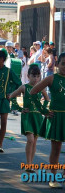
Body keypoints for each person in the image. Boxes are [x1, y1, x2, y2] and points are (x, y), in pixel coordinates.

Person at [30, 53, 65, 188]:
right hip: (56, 117)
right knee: (56, 150)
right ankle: (53, 177)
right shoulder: (51, 78)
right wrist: (43, 110)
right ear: (57, 65)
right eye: (63, 64)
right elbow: (33, 92)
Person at [10, 64, 49, 172]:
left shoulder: (40, 88)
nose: (35, 78)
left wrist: (43, 109)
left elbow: (46, 99)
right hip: (27, 116)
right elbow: (12, 96)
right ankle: (28, 164)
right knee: (30, 140)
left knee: (34, 141)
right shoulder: (24, 87)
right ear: (28, 76)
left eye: (38, 76)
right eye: (33, 76)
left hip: (37, 117)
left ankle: (30, 164)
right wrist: (19, 108)